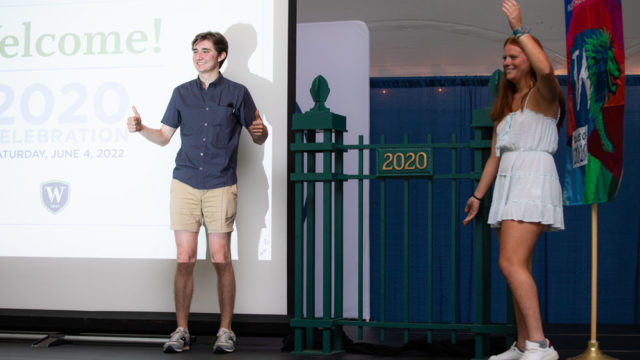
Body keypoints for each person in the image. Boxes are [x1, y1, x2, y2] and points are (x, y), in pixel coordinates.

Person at [126, 31, 268, 354]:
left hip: (220, 184)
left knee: (220, 258)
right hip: (185, 182)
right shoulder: (181, 94)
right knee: (185, 258)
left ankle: (225, 331)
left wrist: (262, 133)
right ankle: (181, 331)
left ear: (221, 56)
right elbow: (163, 137)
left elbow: (258, 134)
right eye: (194, 51)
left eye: (205, 50)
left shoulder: (238, 93)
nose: (198, 55)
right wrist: (141, 128)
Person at [463, 1, 564, 360]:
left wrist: (520, 29)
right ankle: (522, 346)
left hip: (533, 181)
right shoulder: (506, 106)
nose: (507, 62)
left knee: (510, 263)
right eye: (504, 57)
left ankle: (540, 345)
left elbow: (547, 70)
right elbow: (495, 156)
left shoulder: (543, 97)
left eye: (514, 56)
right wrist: (478, 195)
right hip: (507, 184)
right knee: (519, 266)